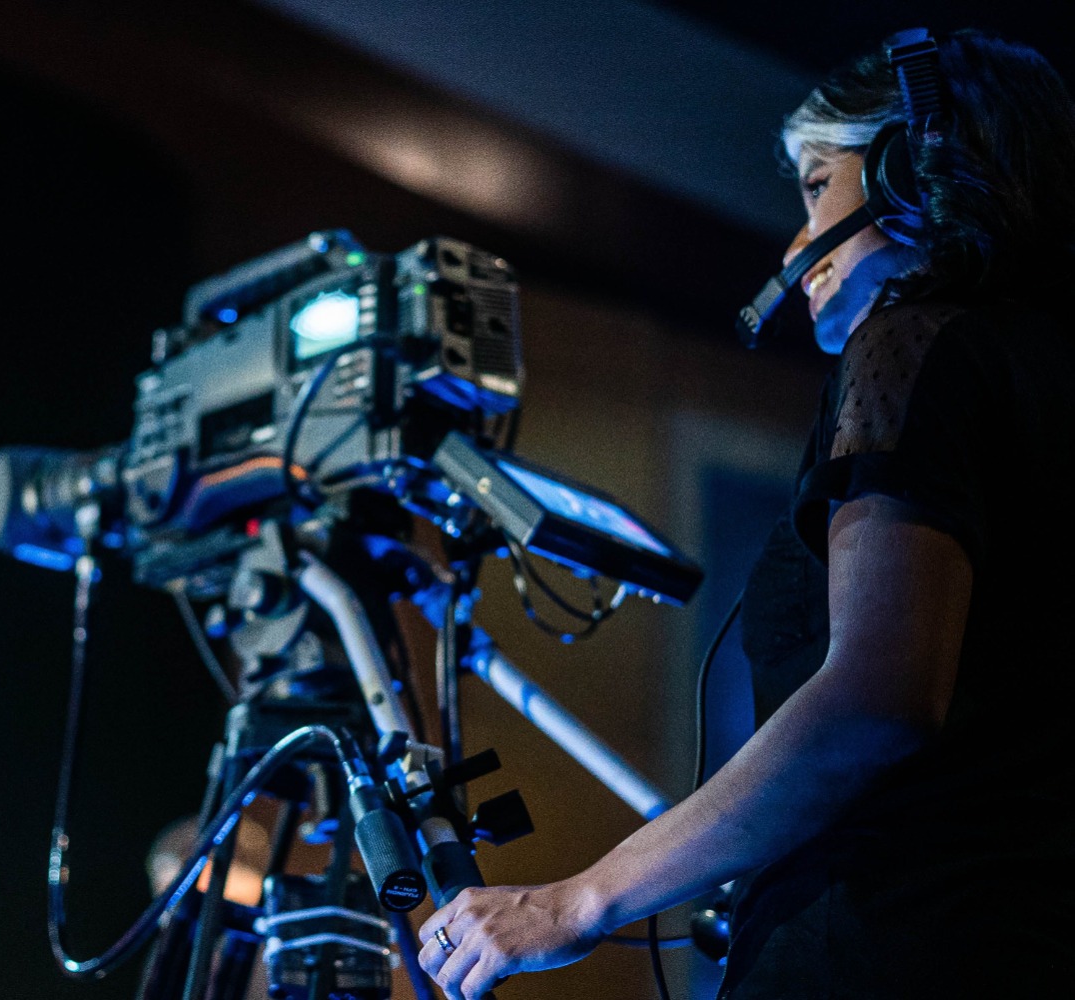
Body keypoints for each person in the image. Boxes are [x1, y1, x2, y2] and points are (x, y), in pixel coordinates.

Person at [417, 28, 1075, 999]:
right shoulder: (1040, 370)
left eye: (817, 185)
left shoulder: (911, 343)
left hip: (882, 948)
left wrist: (574, 901)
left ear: (909, 172)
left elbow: (874, 700)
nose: (794, 241)